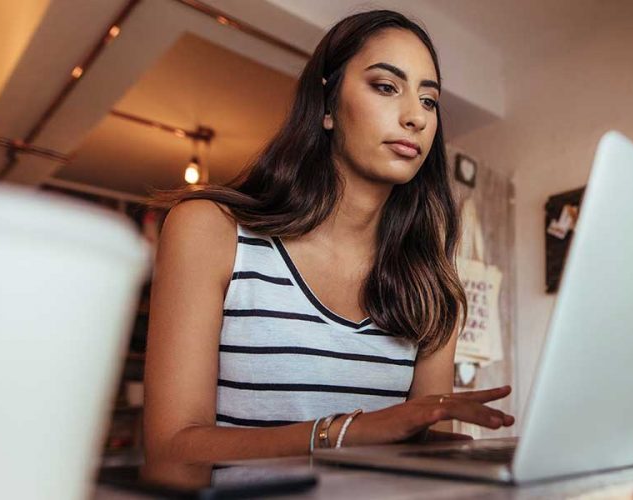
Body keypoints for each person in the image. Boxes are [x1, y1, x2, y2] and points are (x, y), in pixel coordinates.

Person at [143, 9, 514, 463]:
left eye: (429, 100)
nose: (415, 116)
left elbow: (429, 470)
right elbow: (170, 451)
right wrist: (346, 433)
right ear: (326, 106)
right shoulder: (211, 230)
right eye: (385, 86)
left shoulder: (430, 283)